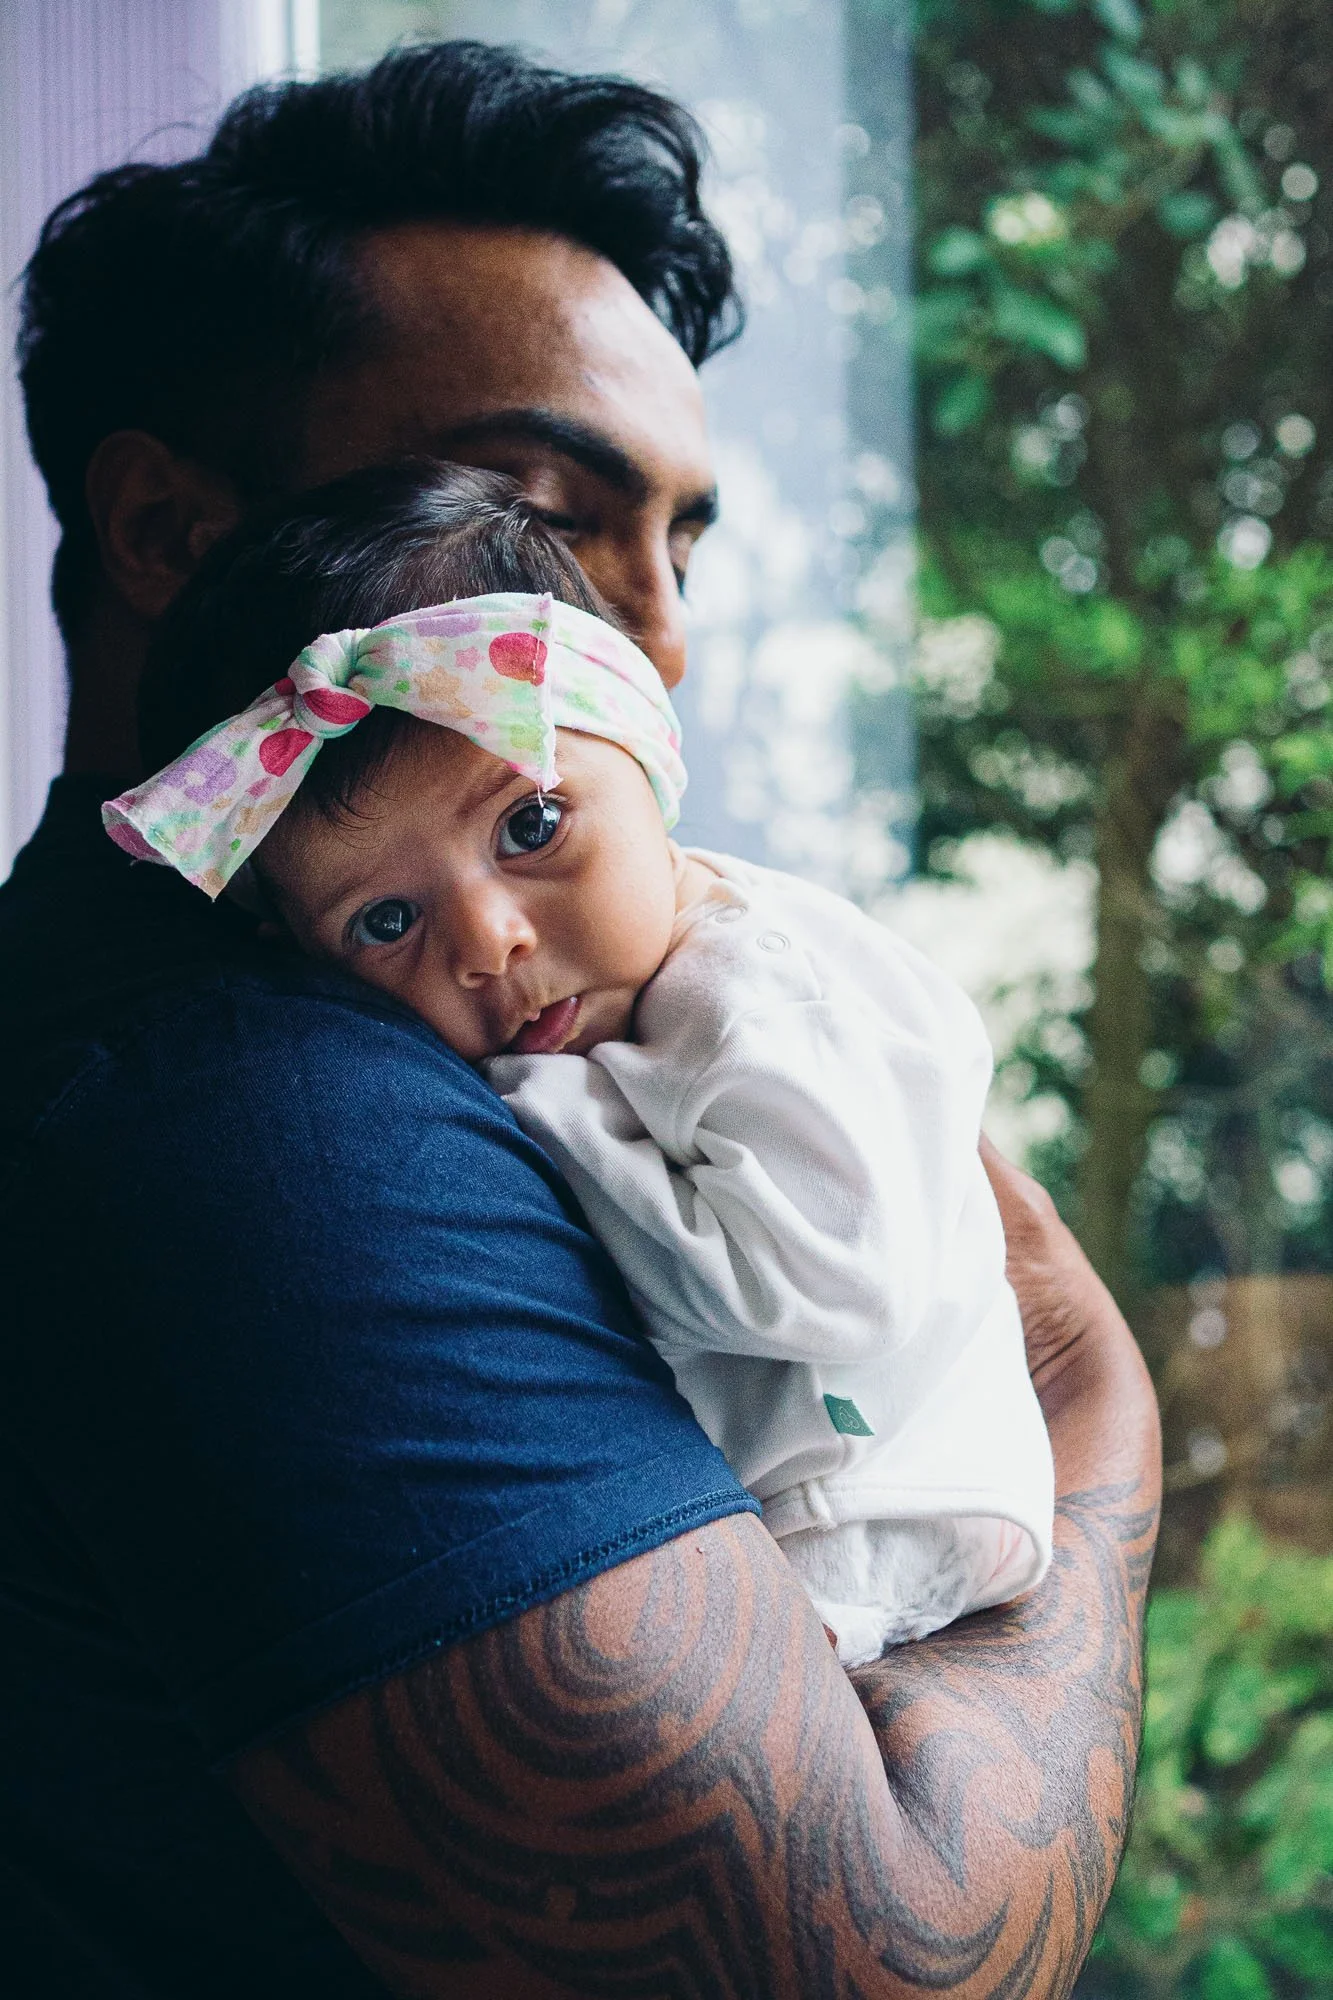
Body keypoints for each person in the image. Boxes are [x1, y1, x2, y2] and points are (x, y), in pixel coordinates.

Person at [1, 38, 1160, 2000]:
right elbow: (884, 1961)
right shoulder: (257, 1134)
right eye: (526, 511)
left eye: (674, 543)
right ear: (169, 537)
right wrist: (1093, 1421)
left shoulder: (381, 1029)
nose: (650, 644)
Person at [107, 459, 1057, 1666]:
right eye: (385, 922)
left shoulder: (753, 992)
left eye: (532, 825)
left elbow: (834, 1281)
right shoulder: (620, 992)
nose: (487, 940)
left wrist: (551, 1109)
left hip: (881, 1508)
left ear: (648, 759)